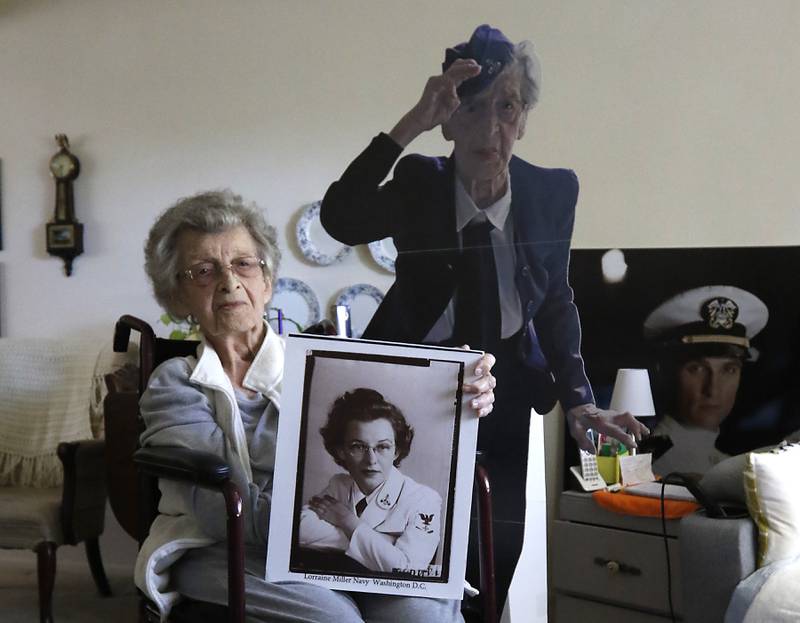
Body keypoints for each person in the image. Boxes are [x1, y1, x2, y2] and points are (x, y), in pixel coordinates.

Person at [320, 24, 647, 602]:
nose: (489, 128)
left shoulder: (551, 193)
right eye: (470, 107)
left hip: (507, 393)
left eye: (507, 107)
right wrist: (411, 121)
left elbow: (554, 299)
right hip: (412, 391)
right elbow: (341, 219)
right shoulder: (421, 183)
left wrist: (579, 401)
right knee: (400, 551)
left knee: (495, 555)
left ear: (524, 119)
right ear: (447, 120)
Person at [133, 189, 497, 623]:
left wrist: (457, 392)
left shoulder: (325, 365)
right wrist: (349, 534)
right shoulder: (174, 383)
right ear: (177, 297)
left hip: (334, 539)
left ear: (267, 282)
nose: (230, 282)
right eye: (204, 271)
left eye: (244, 264)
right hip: (223, 547)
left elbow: (402, 415)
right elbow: (218, 510)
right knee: (335, 619)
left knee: (423, 617)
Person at [298, 388, 442, 576]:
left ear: (396, 451)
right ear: (341, 450)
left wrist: (348, 522)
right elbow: (299, 530)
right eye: (358, 447)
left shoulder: (424, 499)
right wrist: (386, 544)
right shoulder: (338, 485)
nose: (371, 460)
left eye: (382, 447)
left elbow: (407, 570)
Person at [644, 285, 769, 476]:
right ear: (665, 372)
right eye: (697, 369)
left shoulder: (723, 462)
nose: (713, 389)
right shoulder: (656, 465)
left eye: (729, 369)